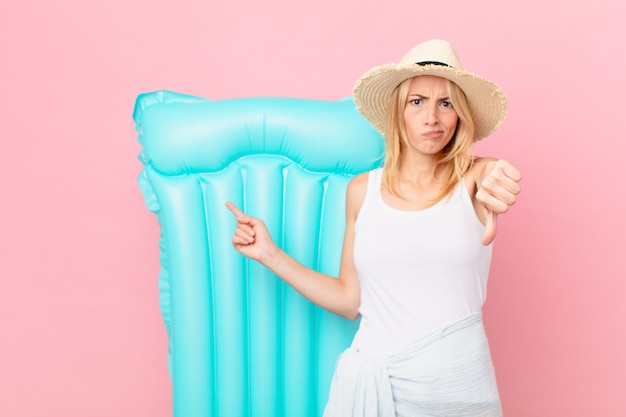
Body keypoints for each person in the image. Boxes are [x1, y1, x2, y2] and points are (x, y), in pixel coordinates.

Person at [226, 39, 521, 417]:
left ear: (460, 115)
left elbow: (496, 172)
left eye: (446, 103)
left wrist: (501, 178)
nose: (432, 117)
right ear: (398, 112)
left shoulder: (475, 179)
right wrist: (269, 254)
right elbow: (350, 301)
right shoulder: (362, 191)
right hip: (374, 392)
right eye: (418, 101)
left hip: (459, 390)